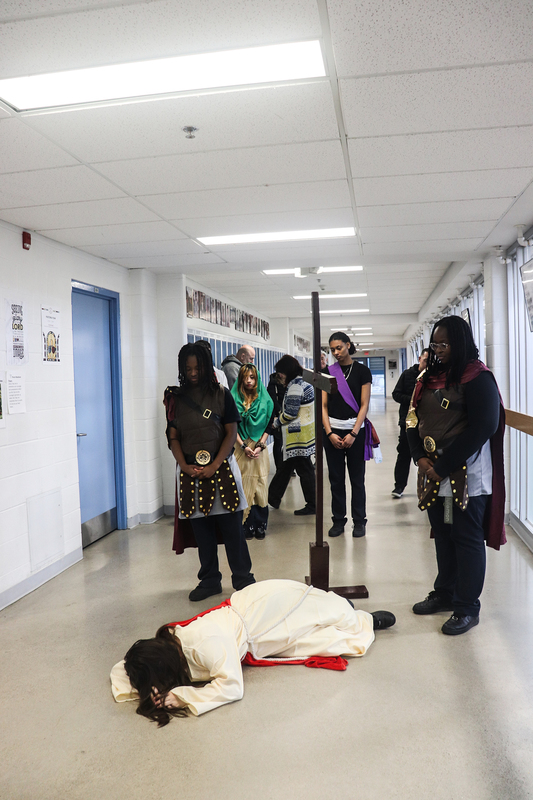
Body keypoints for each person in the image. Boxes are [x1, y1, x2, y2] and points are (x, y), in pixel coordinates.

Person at [110, 579, 396, 724]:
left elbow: (233, 687)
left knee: (326, 622)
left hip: (261, 618)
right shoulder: (168, 643)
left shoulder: (205, 646)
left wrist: (183, 696)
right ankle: (345, 609)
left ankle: (360, 616)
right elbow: (124, 668)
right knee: (310, 637)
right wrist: (152, 689)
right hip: (249, 619)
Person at [406, 315, 505, 636]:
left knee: (466, 538)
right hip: (432, 472)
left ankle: (466, 607)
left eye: (444, 344)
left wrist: (442, 466)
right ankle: (445, 593)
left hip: (465, 475)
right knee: (443, 535)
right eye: (434, 344)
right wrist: (420, 457)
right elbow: (410, 419)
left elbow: (483, 427)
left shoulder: (478, 377)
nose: (438, 350)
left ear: (460, 342)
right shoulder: (429, 376)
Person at [164, 343, 255, 602]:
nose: (193, 373)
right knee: (202, 532)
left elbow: (231, 432)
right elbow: (173, 435)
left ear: (206, 366)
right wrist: (183, 464)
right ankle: (209, 580)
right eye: (188, 368)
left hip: (222, 470)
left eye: (198, 367)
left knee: (233, 531)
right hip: (190, 473)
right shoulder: (175, 398)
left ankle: (243, 578)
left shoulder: (222, 394)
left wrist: (215, 464)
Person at [322, 331, 372, 538]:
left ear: (348, 345)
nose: (335, 352)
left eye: (339, 348)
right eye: (332, 349)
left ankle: (359, 521)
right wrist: (329, 433)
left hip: (355, 431)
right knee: (336, 479)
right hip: (332, 431)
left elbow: (364, 405)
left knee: (357, 479)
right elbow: (323, 407)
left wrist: (353, 432)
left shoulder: (362, 371)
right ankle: (338, 520)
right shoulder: (326, 372)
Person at [268, 355, 316, 516]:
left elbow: (290, 412)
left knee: (304, 470)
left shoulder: (295, 386)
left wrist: (276, 422)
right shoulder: (302, 382)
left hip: (298, 437)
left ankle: (312, 504)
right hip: (303, 435)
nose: (279, 376)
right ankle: (272, 498)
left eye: (280, 373)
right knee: (287, 466)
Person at [231, 364, 274, 540]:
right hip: (240, 448)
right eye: (245, 378)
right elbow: (231, 426)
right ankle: (245, 525)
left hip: (259, 449)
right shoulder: (233, 399)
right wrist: (243, 446)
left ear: (257, 379)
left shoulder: (266, 400)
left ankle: (260, 525)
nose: (249, 381)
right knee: (242, 485)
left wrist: (260, 445)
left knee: (261, 486)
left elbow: (270, 425)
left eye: (252, 377)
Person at [391, 348, 429, 498]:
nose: (428, 364)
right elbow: (396, 394)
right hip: (407, 422)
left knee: (428, 456)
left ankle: (427, 488)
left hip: (428, 424)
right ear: (420, 359)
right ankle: (399, 486)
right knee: (404, 454)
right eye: (426, 360)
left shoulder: (433, 377)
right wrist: (413, 400)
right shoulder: (407, 374)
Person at [266, 370, 286, 470]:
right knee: (278, 442)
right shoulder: (273, 382)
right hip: (277, 415)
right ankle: (279, 467)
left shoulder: (290, 382)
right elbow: (272, 399)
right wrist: (279, 412)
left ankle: (287, 467)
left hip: (288, 415)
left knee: (286, 444)